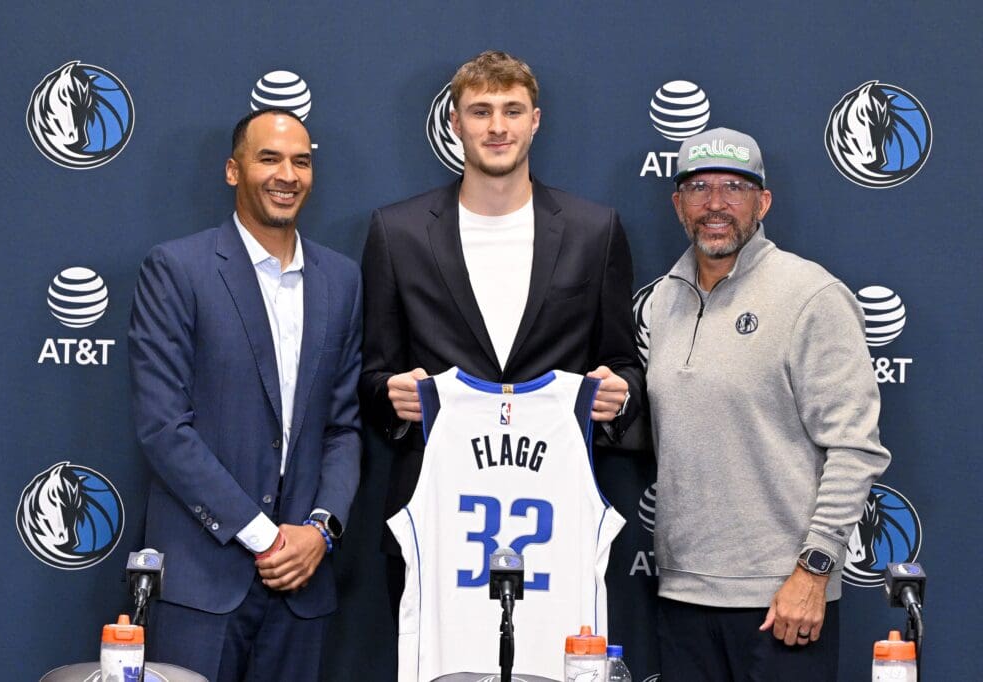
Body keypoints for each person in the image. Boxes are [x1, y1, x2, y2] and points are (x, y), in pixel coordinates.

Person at [360, 50, 643, 614]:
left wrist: (621, 394)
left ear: (535, 121)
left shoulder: (595, 230)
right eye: (480, 111)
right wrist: (389, 396)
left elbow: (624, 364)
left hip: (557, 507)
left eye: (512, 110)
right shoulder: (398, 232)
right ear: (454, 122)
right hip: (436, 511)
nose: (496, 127)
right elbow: (372, 375)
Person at [636, 127, 890, 680]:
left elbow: (855, 448)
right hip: (682, 594)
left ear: (763, 202)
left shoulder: (811, 295)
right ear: (678, 203)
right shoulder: (662, 300)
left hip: (783, 600)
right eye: (699, 188)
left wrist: (814, 570)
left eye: (735, 187)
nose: (716, 205)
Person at [128, 108, 362, 682]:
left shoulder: (342, 280)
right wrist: (263, 535)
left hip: (303, 589)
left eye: (301, 161)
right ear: (234, 171)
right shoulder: (177, 269)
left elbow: (343, 426)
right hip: (202, 584)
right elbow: (164, 427)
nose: (288, 174)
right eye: (270, 158)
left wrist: (319, 532)